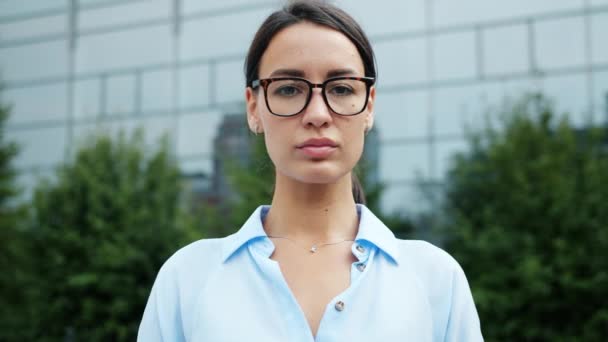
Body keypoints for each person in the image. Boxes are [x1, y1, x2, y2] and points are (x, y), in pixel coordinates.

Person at [137, 1, 483, 341]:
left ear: (369, 106)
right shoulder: (187, 280)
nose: (318, 113)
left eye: (341, 89)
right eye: (289, 89)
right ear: (253, 107)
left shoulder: (436, 279)